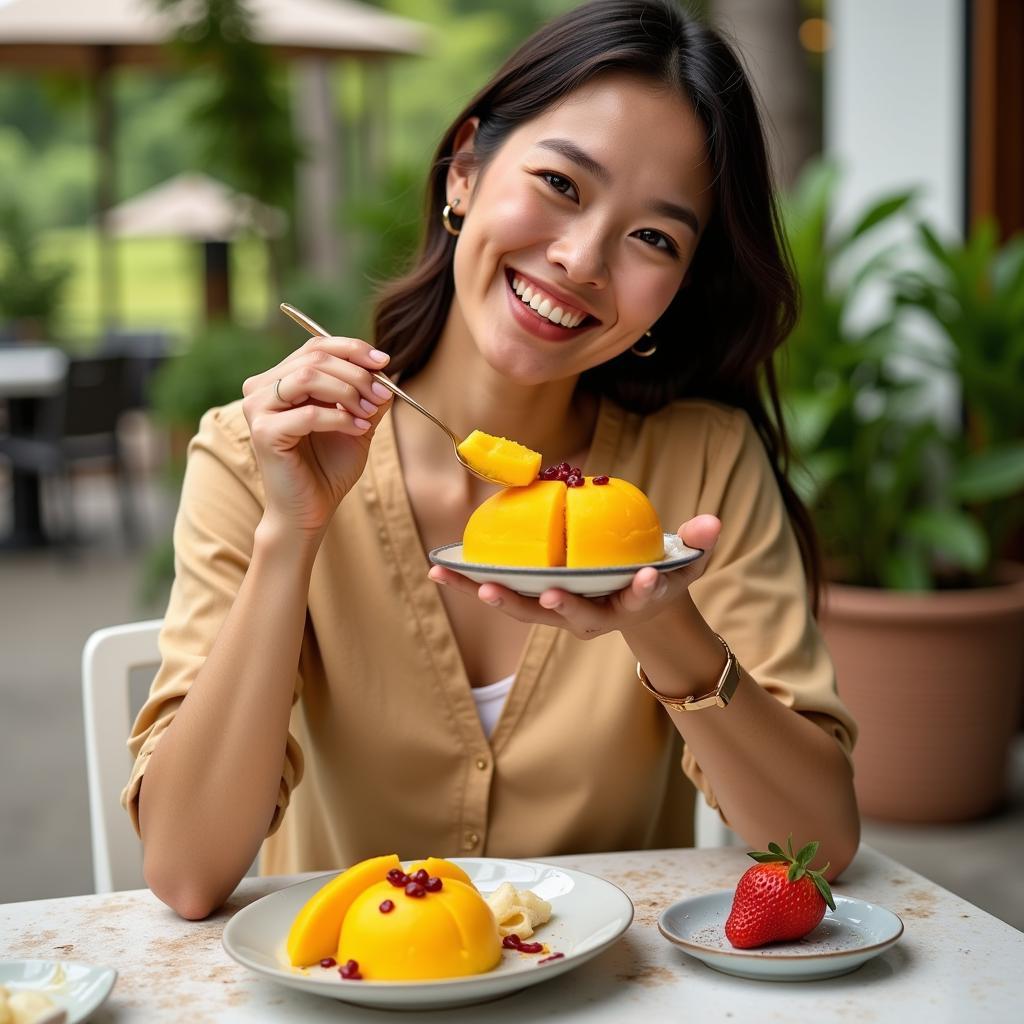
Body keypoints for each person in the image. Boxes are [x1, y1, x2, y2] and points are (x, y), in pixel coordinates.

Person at [126, 0, 860, 920]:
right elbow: (188, 875)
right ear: (467, 167)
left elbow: (818, 848)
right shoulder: (261, 454)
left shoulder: (705, 462)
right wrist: (293, 532)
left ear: (678, 287)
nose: (581, 258)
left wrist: (664, 623)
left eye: (654, 238)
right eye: (561, 183)